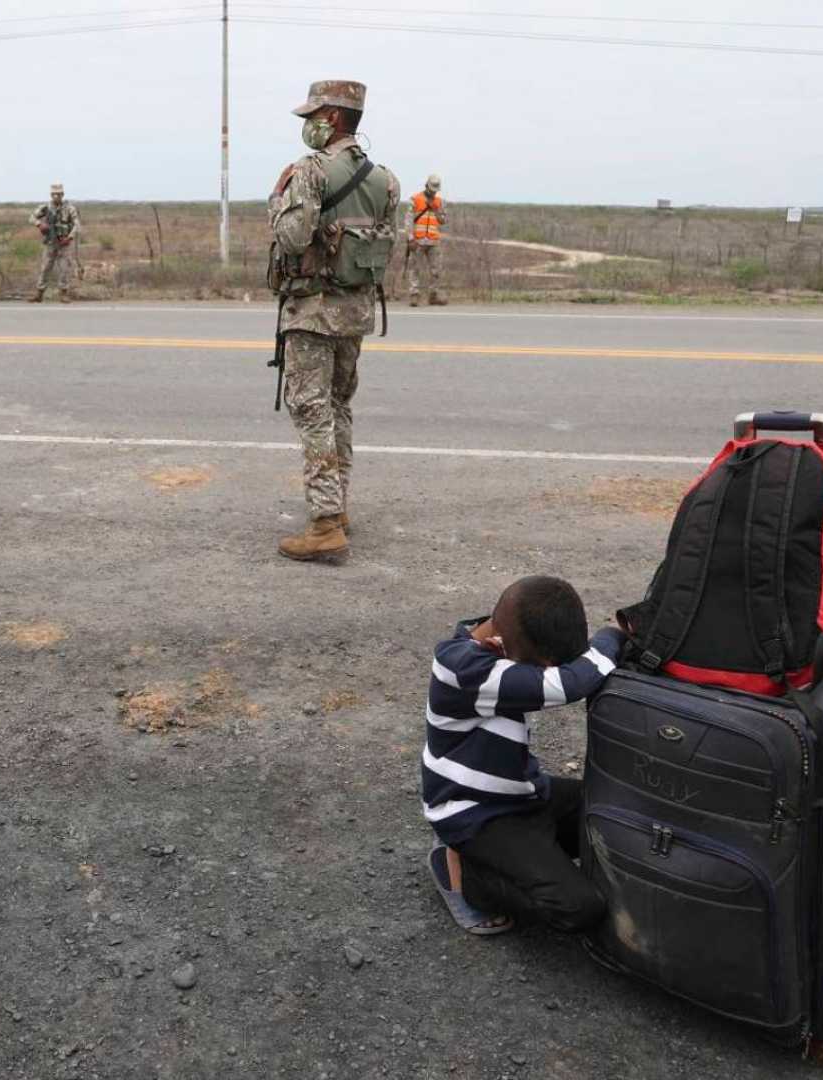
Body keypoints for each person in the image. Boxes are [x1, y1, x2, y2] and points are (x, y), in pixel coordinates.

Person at [420, 576, 626, 935]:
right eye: (542, 665)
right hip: (475, 814)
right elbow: (569, 684)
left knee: (618, 815)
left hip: (522, 794)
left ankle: (527, 860)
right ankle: (465, 876)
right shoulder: (462, 669)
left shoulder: (498, 646)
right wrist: (613, 636)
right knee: (580, 908)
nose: (547, 671)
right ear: (507, 640)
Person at [267, 80, 399, 562]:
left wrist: (276, 204)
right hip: (356, 309)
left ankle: (324, 523)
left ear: (335, 119)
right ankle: (338, 506)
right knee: (340, 405)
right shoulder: (385, 178)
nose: (307, 125)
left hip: (313, 309)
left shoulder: (310, 171)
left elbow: (294, 239)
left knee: (311, 408)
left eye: (313, 116)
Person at [29, 184, 80, 302]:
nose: (56, 196)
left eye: (59, 194)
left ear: (62, 195)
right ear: (51, 195)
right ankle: (39, 294)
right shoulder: (45, 208)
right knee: (45, 268)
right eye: (54, 194)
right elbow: (31, 217)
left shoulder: (69, 208)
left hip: (64, 243)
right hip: (50, 243)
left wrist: (70, 237)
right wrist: (40, 224)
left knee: (64, 269)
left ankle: (64, 294)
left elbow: (77, 225)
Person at [406, 174, 447, 306]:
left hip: (434, 241)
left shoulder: (439, 202)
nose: (433, 191)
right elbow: (408, 220)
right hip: (418, 240)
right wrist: (410, 238)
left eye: (435, 189)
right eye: (432, 189)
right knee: (415, 269)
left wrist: (435, 209)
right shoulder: (415, 199)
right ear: (426, 186)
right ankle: (414, 295)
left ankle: (434, 296)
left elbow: (443, 220)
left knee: (437, 270)